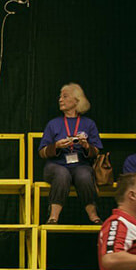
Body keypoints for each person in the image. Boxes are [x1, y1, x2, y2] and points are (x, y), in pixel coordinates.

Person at [38, 83, 103, 224]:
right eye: (60, 97)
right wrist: (56, 146)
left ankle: (94, 216)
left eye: (65, 96)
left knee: (84, 175)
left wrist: (86, 145)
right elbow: (42, 152)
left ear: (76, 100)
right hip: (56, 165)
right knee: (62, 174)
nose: (60, 99)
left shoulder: (89, 124)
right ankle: (53, 217)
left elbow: (96, 151)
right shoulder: (53, 124)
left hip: (81, 164)